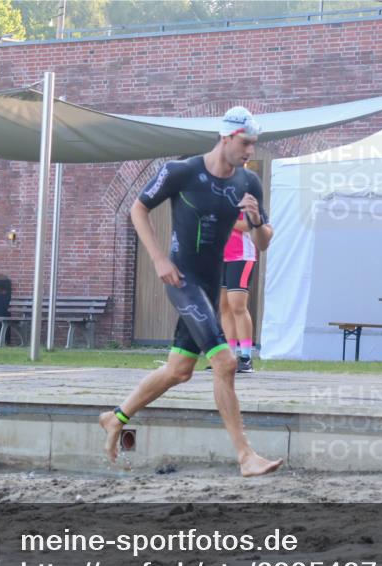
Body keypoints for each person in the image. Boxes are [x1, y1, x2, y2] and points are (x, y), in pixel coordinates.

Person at [99, 106, 280, 477]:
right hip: (183, 280)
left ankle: (115, 417)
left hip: (210, 285)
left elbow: (263, 242)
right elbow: (138, 209)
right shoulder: (181, 171)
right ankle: (246, 456)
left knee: (179, 370)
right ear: (226, 137)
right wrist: (158, 260)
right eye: (245, 143)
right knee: (226, 362)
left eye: (253, 144)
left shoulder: (248, 183)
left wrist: (257, 222)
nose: (250, 151)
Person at [220, 209, 270, 373]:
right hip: (219, 257)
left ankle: (246, 357)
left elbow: (249, 226)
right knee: (224, 307)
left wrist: (224, 219)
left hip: (241, 256)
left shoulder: (246, 201)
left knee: (237, 306)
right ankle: (229, 356)